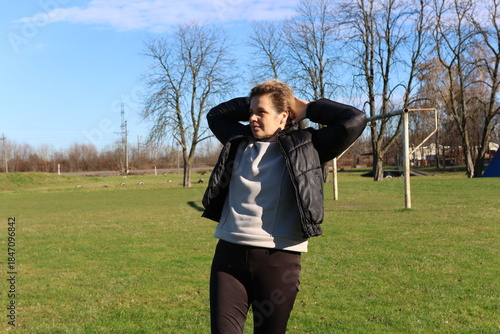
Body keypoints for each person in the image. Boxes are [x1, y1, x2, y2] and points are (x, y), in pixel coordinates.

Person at [202, 80, 367, 333]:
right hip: (228, 256)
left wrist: (309, 108)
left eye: (262, 112)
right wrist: (257, 100)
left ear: (283, 117)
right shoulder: (238, 140)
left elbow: (353, 120)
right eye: (251, 112)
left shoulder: (307, 145)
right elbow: (216, 114)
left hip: (278, 261)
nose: (253, 118)